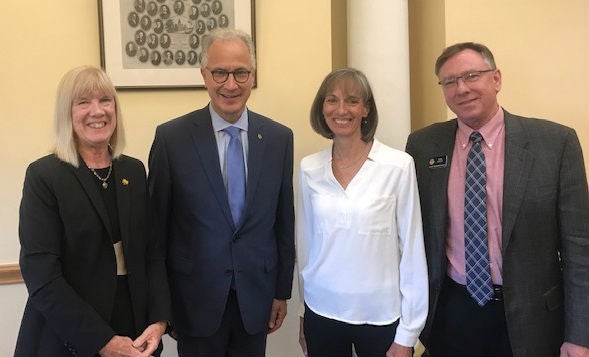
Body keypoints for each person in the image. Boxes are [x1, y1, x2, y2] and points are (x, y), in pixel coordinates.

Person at [405, 42, 589, 357]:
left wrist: (579, 335)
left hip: (533, 319)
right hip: (452, 313)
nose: (461, 88)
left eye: (471, 76)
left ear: (497, 79)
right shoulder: (423, 146)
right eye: (449, 82)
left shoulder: (555, 144)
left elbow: (579, 249)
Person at [148, 28, 295, 357]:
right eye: (220, 72)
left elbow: (283, 222)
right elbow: (155, 234)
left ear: (252, 75)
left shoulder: (278, 139)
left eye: (241, 72)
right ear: (204, 75)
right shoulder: (172, 140)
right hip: (193, 302)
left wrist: (280, 291)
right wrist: (162, 307)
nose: (231, 84)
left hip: (256, 300)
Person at [14, 66, 172, 357]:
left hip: (135, 332)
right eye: (83, 102)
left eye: (105, 100)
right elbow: (42, 276)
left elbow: (153, 253)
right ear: (66, 112)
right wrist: (102, 341)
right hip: (68, 337)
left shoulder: (133, 171)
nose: (97, 111)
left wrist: (159, 320)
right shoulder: (44, 176)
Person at [297, 68, 428, 357]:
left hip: (381, 316)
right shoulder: (309, 168)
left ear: (366, 109)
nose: (341, 109)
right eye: (332, 100)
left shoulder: (398, 166)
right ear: (322, 108)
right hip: (321, 311)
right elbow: (305, 245)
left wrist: (408, 334)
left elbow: (412, 251)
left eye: (352, 101)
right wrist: (304, 313)